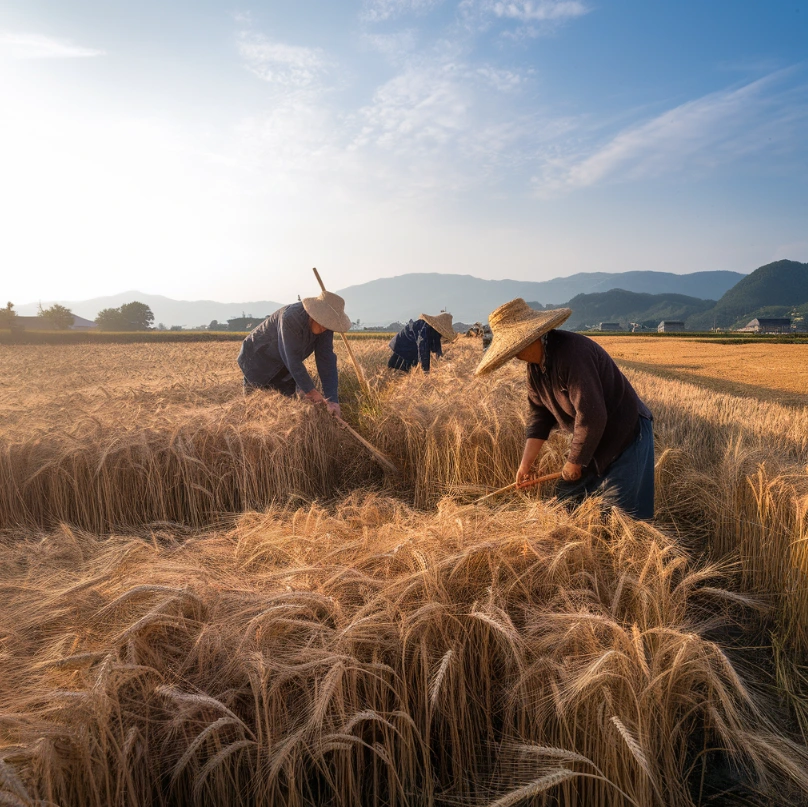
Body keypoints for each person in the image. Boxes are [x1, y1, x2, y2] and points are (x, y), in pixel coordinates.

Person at [474, 298, 654, 520]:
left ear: (530, 337)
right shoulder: (535, 369)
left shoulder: (573, 354)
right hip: (592, 439)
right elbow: (539, 416)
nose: (513, 354)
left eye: (513, 347)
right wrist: (525, 466)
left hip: (625, 434)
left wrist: (575, 460)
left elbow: (592, 416)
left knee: (620, 517)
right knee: (566, 498)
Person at [237, 290, 352, 417]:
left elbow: (326, 360)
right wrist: (310, 390)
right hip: (257, 358)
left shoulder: (326, 328)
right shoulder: (290, 318)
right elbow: (291, 357)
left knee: (287, 408)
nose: (325, 328)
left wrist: (332, 400)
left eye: (329, 325)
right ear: (314, 315)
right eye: (323, 323)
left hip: (284, 366)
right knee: (253, 407)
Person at [388, 312, 457, 373]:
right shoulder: (425, 328)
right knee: (398, 369)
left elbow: (437, 348)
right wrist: (426, 371)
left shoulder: (434, 332)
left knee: (405, 369)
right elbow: (423, 349)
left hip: (409, 347)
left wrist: (442, 361)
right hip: (402, 346)